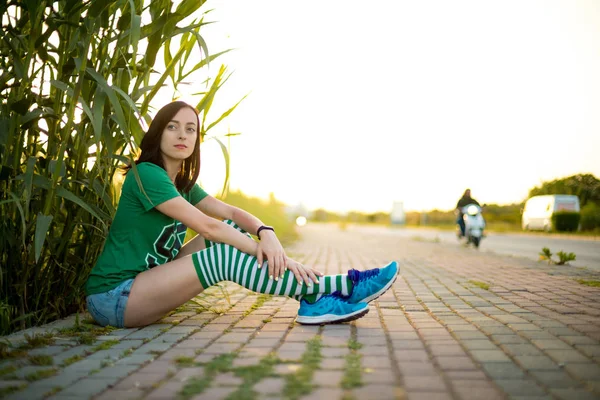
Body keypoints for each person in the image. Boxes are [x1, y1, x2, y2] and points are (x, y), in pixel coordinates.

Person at [84, 101, 399, 328]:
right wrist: (278, 258)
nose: (182, 135)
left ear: (196, 140)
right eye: (172, 127)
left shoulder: (181, 184)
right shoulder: (147, 175)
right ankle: (338, 285)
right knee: (220, 256)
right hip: (114, 298)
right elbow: (208, 227)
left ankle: (314, 304)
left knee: (233, 227)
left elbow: (230, 213)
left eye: (190, 129)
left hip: (145, 286)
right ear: (158, 134)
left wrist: (267, 232)